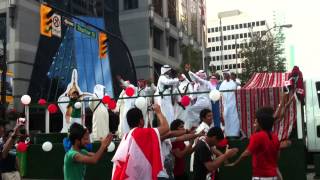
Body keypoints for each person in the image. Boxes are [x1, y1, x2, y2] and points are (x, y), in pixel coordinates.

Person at [112, 104, 169, 180]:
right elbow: (166, 127)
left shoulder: (126, 136)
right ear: (141, 120)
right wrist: (158, 112)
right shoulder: (139, 133)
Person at [227, 107, 281, 180]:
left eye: (256, 123)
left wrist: (234, 163)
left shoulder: (257, 136)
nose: (254, 125)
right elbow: (277, 156)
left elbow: (246, 153)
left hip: (261, 176)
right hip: (273, 176)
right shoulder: (275, 137)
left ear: (261, 124)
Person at [219, 69, 240, 138]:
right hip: (225, 105)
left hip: (233, 104)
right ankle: (227, 135)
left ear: (229, 74)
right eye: (224, 74)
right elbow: (220, 95)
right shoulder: (222, 83)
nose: (225, 76)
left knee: (234, 119)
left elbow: (239, 89)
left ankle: (235, 134)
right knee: (226, 118)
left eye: (226, 74)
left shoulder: (235, 82)